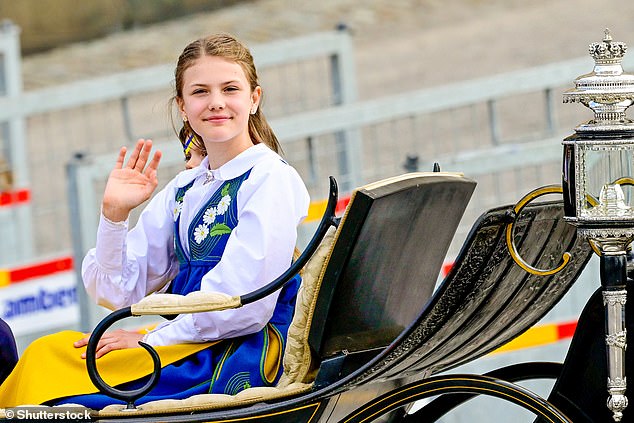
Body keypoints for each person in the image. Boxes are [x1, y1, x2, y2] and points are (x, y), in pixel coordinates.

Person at [0, 32, 309, 408]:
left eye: (230, 89)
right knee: (47, 352)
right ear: (182, 106)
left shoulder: (269, 177)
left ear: (254, 98)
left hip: (231, 351)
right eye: (200, 92)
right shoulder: (186, 187)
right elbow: (119, 291)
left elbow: (243, 306)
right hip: (185, 340)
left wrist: (150, 338)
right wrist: (114, 216)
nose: (216, 103)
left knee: (51, 378)